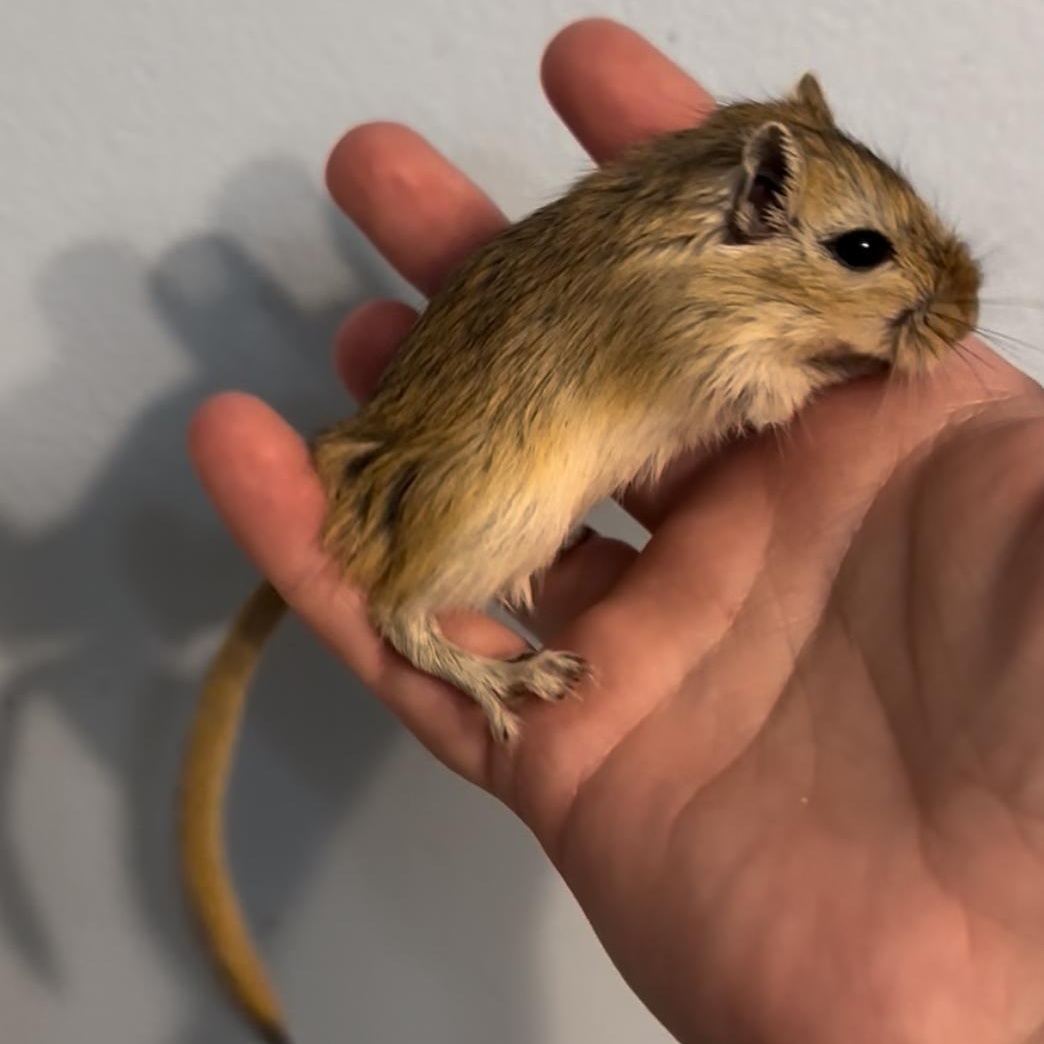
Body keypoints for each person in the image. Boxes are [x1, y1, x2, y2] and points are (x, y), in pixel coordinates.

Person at [188, 18, 1044, 1044]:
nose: (935, 297)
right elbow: (752, 389)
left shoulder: (674, 268)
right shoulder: (672, 297)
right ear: (753, 208)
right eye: (863, 253)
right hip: (461, 464)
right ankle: (416, 624)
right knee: (479, 525)